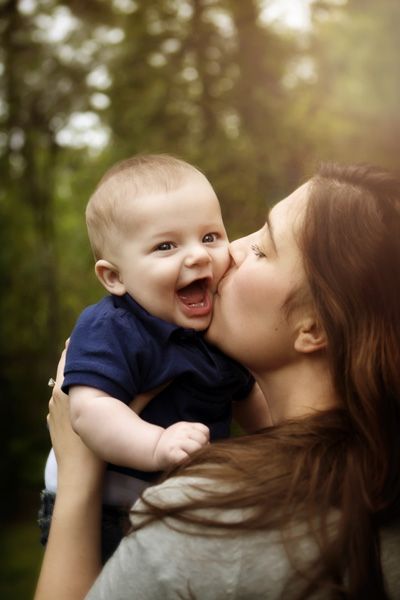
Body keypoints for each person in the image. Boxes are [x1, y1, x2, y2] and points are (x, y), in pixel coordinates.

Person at [35, 163, 400, 599]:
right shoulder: (376, 476)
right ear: (112, 276)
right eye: (167, 245)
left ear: (313, 328)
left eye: (262, 249)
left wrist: (78, 473)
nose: (226, 253)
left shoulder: (197, 526)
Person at [39, 154, 269, 561]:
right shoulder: (114, 327)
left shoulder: (215, 323)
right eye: (166, 246)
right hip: (108, 504)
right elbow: (89, 411)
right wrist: (156, 443)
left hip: (178, 501)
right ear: (115, 277)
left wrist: (281, 437)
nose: (198, 256)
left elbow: (247, 396)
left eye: (211, 237)